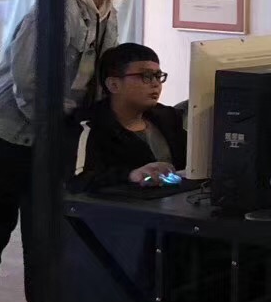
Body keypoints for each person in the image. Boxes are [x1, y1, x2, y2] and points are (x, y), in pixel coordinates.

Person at [0, 0, 143, 302]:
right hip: (7, 135)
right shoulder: (57, 9)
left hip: (51, 135)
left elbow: (100, 78)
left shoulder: (105, 12)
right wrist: (55, 132)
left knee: (44, 237)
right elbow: (29, 82)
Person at [69, 43, 184, 192]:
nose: (156, 84)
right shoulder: (88, 125)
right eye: (146, 76)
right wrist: (130, 175)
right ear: (114, 85)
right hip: (121, 205)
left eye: (158, 76)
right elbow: (78, 180)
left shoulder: (169, 117)